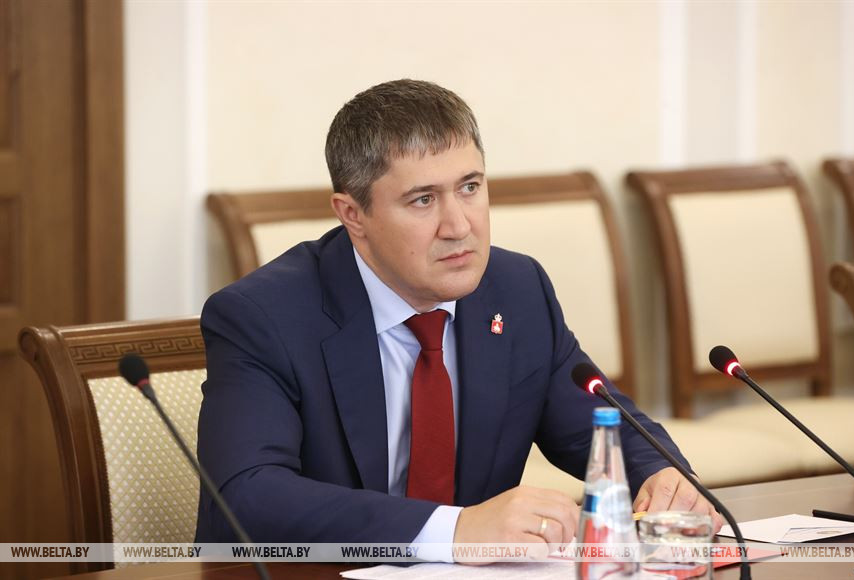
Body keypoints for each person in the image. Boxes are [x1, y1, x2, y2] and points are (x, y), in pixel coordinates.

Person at [195, 79, 721, 563]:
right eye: (423, 200)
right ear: (353, 214)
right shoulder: (263, 316)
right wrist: (455, 531)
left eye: (470, 187)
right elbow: (247, 496)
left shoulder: (516, 290)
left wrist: (663, 476)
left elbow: (598, 423)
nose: (459, 225)